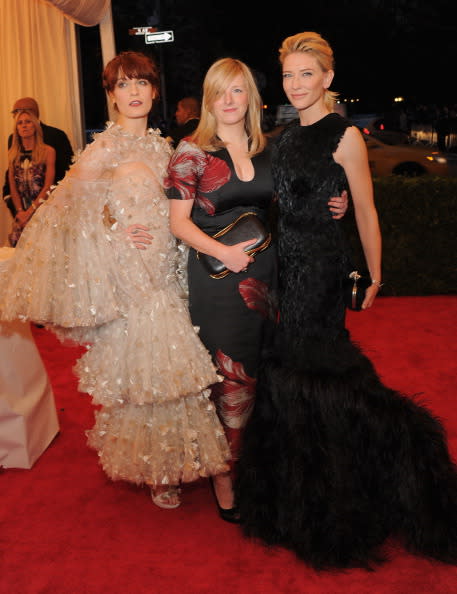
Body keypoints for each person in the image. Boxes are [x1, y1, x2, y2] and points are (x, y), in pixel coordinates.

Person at [235, 31, 457, 569]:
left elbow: (365, 210)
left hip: (321, 272)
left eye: (306, 73)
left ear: (328, 78)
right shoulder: (282, 138)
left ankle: (373, 471)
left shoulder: (346, 138)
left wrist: (375, 275)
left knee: (318, 370)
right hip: (283, 269)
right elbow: (262, 196)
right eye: (288, 75)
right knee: (287, 371)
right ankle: (295, 495)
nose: (296, 83)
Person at [0, 51, 231, 509]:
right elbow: (66, 209)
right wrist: (115, 227)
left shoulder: (165, 147)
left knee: (172, 364)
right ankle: (157, 468)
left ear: (153, 90)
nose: (133, 93)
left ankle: (178, 456)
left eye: (140, 83)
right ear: (110, 95)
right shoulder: (105, 147)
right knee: (149, 364)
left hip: (167, 263)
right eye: (122, 85)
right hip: (130, 269)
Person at [159, 57, 348, 522]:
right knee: (229, 376)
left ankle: (256, 466)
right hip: (218, 282)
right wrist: (222, 254)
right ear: (208, 99)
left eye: (237, 91)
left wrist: (336, 201)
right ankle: (224, 476)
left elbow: (294, 198)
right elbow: (178, 224)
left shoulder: (271, 149)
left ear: (251, 99)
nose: (228, 100)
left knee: (262, 369)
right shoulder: (191, 151)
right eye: (219, 92)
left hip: (267, 281)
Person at [3, 97, 74, 218]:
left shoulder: (56, 135)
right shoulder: (13, 139)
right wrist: (16, 209)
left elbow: (67, 172)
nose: (15, 116)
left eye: (16, 111)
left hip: (52, 208)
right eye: (15, 114)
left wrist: (39, 208)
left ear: (31, 112)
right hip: (21, 209)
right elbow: (11, 176)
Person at [7, 110, 56, 246]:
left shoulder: (48, 151)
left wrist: (31, 211)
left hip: (43, 211)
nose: (24, 126)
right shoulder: (12, 154)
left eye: (28, 122)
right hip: (21, 215)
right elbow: (13, 188)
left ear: (35, 125)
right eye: (20, 123)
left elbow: (48, 187)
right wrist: (20, 212)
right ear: (16, 128)